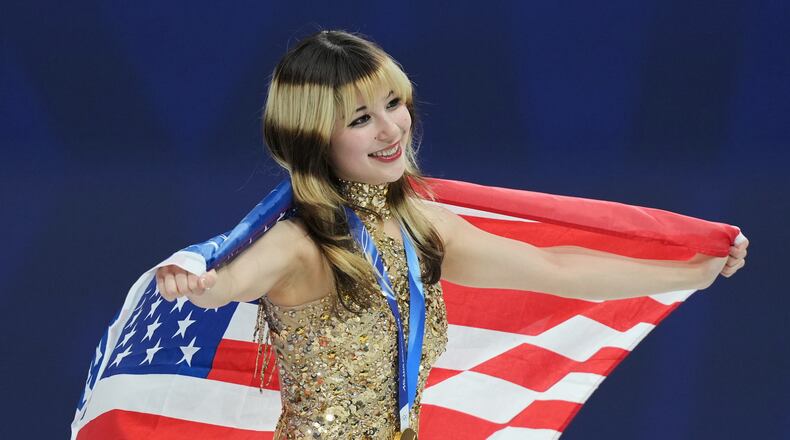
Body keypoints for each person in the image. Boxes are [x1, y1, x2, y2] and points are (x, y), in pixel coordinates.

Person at [155, 30, 748, 440]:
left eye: (394, 102)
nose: (391, 129)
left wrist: (691, 272)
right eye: (360, 119)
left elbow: (557, 271)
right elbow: (227, 284)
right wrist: (197, 281)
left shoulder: (422, 225)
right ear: (314, 138)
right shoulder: (300, 244)